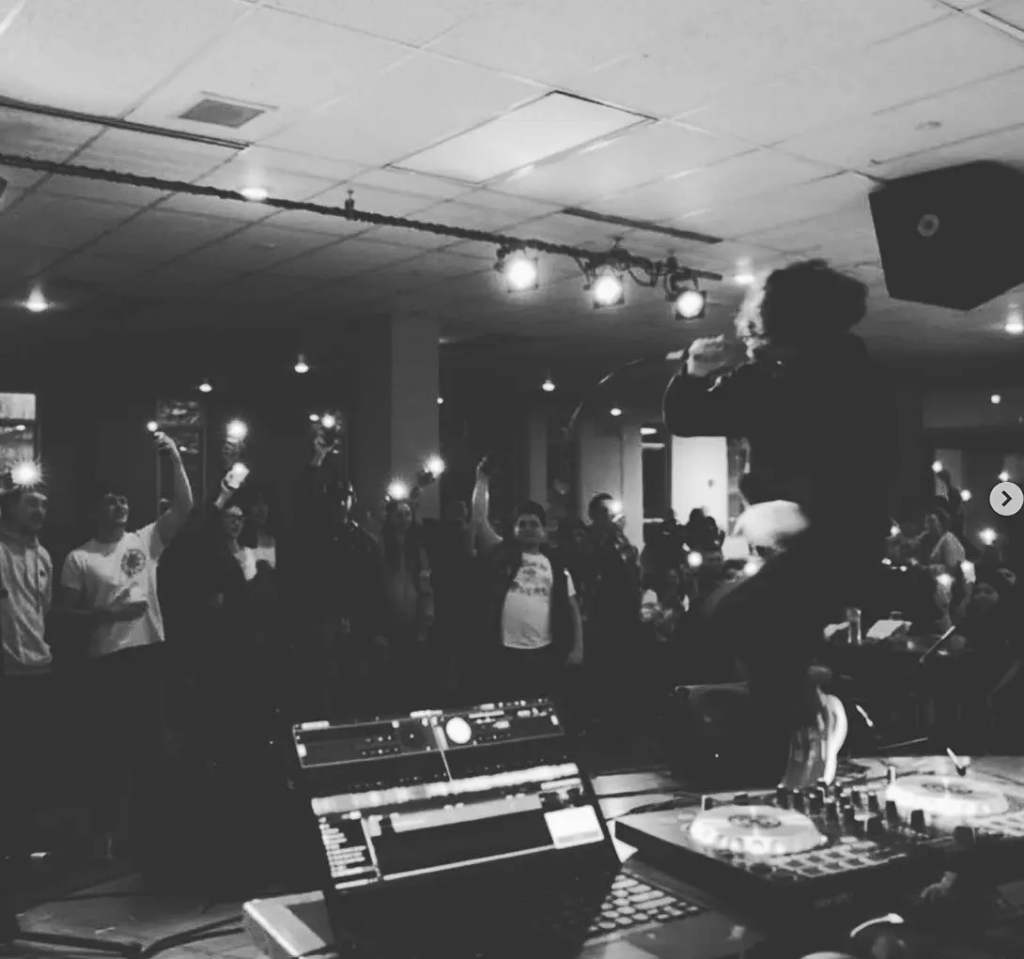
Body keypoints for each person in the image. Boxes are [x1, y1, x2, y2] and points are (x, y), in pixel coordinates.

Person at [663, 259, 892, 787]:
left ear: (789, 317)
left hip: (840, 536)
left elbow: (868, 465)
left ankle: (814, 718)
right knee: (757, 636)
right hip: (791, 546)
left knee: (736, 616)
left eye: (762, 308)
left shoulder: (852, 378)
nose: (750, 319)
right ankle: (796, 742)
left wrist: (803, 513)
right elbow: (688, 419)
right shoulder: (761, 376)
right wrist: (695, 374)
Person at [58, 431, 193, 859]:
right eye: (111, 501)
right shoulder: (80, 557)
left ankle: (147, 831)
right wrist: (108, 614)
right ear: (95, 511)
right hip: (107, 660)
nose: (120, 506)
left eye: (123, 500)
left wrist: (174, 457)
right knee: (109, 749)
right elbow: (63, 615)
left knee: (151, 745)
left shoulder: (143, 540)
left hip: (148, 652)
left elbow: (184, 507)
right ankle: (105, 834)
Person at [471, 460, 583, 703]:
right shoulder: (502, 554)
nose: (528, 528)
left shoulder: (556, 565)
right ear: (514, 530)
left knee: (540, 708)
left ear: (543, 531)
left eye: (534, 524)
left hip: (544, 651)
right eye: (522, 524)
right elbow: (479, 521)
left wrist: (577, 648)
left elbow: (572, 608)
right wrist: (482, 479)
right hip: (505, 650)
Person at [0, 475, 53, 932]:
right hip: (5, 676)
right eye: (30, 503)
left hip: (38, 673)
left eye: (43, 504)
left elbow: (41, 611)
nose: (39, 511)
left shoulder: (44, 557)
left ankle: (19, 857)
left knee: (30, 772)